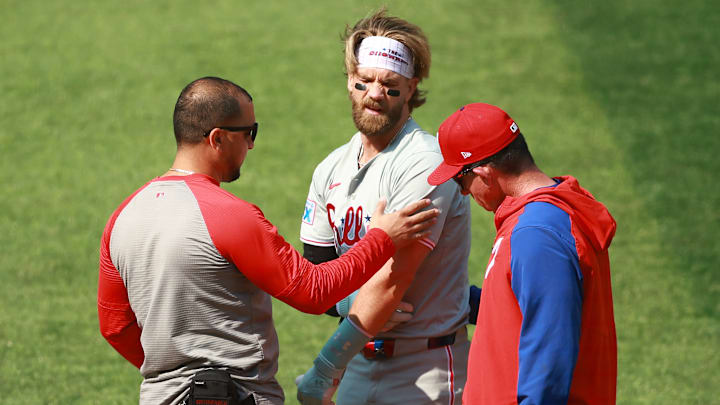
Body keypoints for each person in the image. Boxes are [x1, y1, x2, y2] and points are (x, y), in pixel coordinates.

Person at [96, 76, 440, 405]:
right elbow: (313, 291)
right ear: (217, 138)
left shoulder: (121, 218)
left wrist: (175, 374)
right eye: (248, 132)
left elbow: (114, 327)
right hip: (240, 395)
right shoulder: (230, 215)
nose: (251, 144)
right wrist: (382, 238)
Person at [296, 10, 472, 405]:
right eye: (364, 82)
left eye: (390, 85)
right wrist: (350, 302)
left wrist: (325, 368)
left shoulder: (424, 163)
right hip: (360, 358)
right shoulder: (330, 168)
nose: (374, 94)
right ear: (349, 82)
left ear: (411, 88)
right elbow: (319, 275)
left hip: (424, 368)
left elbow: (394, 281)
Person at [427, 102, 617, 404]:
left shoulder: (537, 235)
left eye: (459, 179)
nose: (462, 191)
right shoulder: (543, 215)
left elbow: (550, 359)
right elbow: (523, 309)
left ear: (484, 173)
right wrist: (457, 300)